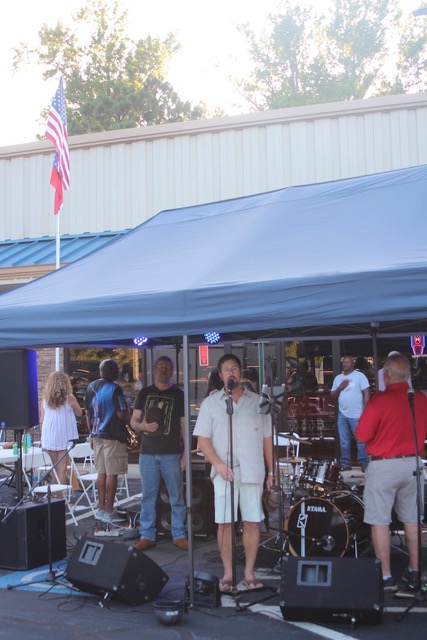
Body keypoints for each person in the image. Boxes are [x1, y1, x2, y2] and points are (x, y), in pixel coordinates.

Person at [193, 354, 274, 592]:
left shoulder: (259, 402)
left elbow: (267, 440)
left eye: (235, 368)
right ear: (220, 375)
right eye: (226, 369)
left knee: (251, 521)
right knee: (225, 522)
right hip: (224, 471)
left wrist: (272, 473)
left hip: (252, 468)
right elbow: (202, 440)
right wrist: (217, 464)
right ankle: (228, 574)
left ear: (241, 373)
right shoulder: (211, 403)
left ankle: (249, 572)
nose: (231, 373)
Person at [355, 353, 427, 592]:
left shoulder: (379, 401)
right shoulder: (420, 399)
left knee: (379, 521)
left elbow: (362, 436)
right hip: (413, 464)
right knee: (411, 519)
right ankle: (414, 571)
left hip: (384, 465)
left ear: (386, 375)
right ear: (408, 375)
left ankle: (385, 575)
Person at [130, 356, 188, 551]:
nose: (163, 370)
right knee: (148, 496)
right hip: (147, 452)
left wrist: (186, 453)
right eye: (160, 367)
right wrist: (143, 425)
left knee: (176, 495)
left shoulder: (178, 394)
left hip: (171, 453)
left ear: (171, 371)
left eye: (167, 367)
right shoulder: (145, 393)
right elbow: (134, 421)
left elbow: (183, 425)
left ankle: (179, 534)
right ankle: (147, 535)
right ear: (154, 370)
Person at [85, 359, 129, 523]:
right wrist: (128, 412)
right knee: (112, 473)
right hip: (113, 435)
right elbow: (121, 414)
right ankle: (109, 510)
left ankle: (101, 508)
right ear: (111, 372)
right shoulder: (115, 389)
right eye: (116, 369)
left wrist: (91, 433)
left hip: (97, 434)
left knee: (101, 472)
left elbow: (88, 413)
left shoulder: (91, 387)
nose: (118, 371)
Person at [40, 371, 82, 484]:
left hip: (49, 433)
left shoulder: (45, 399)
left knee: (54, 468)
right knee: (62, 469)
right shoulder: (69, 397)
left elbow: (42, 418)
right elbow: (79, 413)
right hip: (64, 434)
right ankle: (59, 498)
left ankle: (54, 498)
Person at [330, 355, 370, 471]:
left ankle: (363, 462)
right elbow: (332, 395)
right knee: (344, 441)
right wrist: (340, 388)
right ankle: (345, 464)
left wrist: (366, 410)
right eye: (344, 362)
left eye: (348, 362)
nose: (345, 364)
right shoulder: (338, 378)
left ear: (353, 364)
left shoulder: (360, 376)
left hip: (357, 414)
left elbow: (366, 393)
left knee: (361, 440)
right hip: (342, 414)